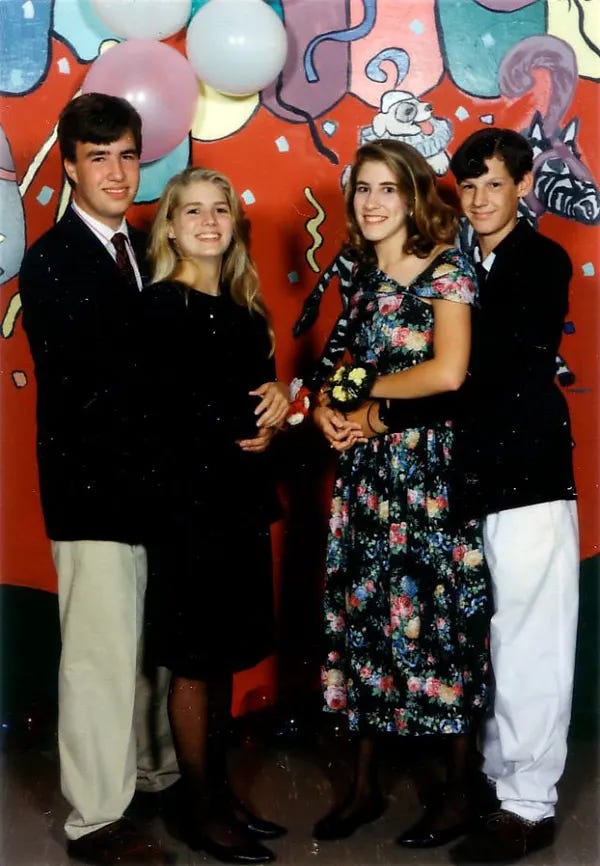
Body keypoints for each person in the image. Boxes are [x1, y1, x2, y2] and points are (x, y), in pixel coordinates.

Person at [310, 139, 490, 849]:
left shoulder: (449, 271)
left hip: (428, 476)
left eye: (388, 189)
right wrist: (331, 404)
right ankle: (363, 788)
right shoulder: (360, 275)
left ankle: (454, 792)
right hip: (368, 477)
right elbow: (342, 367)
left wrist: (364, 395)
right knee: (366, 616)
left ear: (415, 197)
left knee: (436, 621)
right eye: (362, 190)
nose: (372, 202)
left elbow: (447, 374)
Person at [18, 93, 178, 865]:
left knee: (147, 650)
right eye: (98, 157)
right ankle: (97, 820)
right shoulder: (52, 260)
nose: (116, 172)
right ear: (71, 168)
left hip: (152, 489)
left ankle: (151, 777)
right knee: (99, 656)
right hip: (94, 491)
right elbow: (94, 385)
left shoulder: (148, 248)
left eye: (126, 155)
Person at [141, 167, 290, 865]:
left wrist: (276, 409)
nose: (207, 221)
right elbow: (167, 411)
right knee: (196, 662)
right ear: (169, 227)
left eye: (219, 210)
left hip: (236, 501)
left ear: (233, 223)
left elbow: (254, 395)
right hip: (187, 508)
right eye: (191, 210)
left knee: (226, 651)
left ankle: (221, 792)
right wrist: (244, 419)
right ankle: (198, 807)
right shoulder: (159, 308)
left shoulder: (244, 310)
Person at [445, 129, 579, 864]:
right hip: (483, 480)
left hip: (528, 477)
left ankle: (529, 804)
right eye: (468, 187)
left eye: (494, 184)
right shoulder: (472, 262)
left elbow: (488, 368)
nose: (479, 200)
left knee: (533, 642)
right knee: (499, 639)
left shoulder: (538, 260)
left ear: (525, 186)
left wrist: (393, 402)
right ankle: (502, 785)